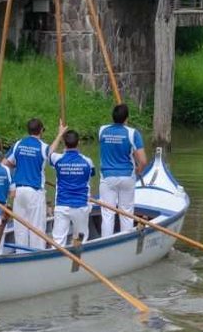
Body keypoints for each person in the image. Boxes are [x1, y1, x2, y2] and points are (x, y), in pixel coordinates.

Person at [96, 103, 147, 237]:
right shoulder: (132, 133)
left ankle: (105, 243)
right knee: (126, 213)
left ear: (112, 117)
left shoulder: (102, 130)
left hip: (107, 178)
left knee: (107, 213)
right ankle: (126, 240)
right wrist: (138, 169)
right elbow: (143, 161)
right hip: (127, 177)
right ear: (127, 118)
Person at [47, 124, 95, 246]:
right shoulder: (88, 162)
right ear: (78, 143)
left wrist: (59, 134)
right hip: (80, 206)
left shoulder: (58, 159)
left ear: (64, 143)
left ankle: (56, 261)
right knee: (80, 241)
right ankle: (77, 260)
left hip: (62, 206)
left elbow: (48, 153)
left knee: (58, 242)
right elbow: (91, 176)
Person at [8, 117, 49, 249]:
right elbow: (53, 156)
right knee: (37, 229)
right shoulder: (43, 147)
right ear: (41, 130)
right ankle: (37, 256)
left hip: (18, 192)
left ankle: (21, 255)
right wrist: (60, 135)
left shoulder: (19, 144)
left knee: (20, 230)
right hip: (35, 192)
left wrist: (18, 167)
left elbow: (5, 163)